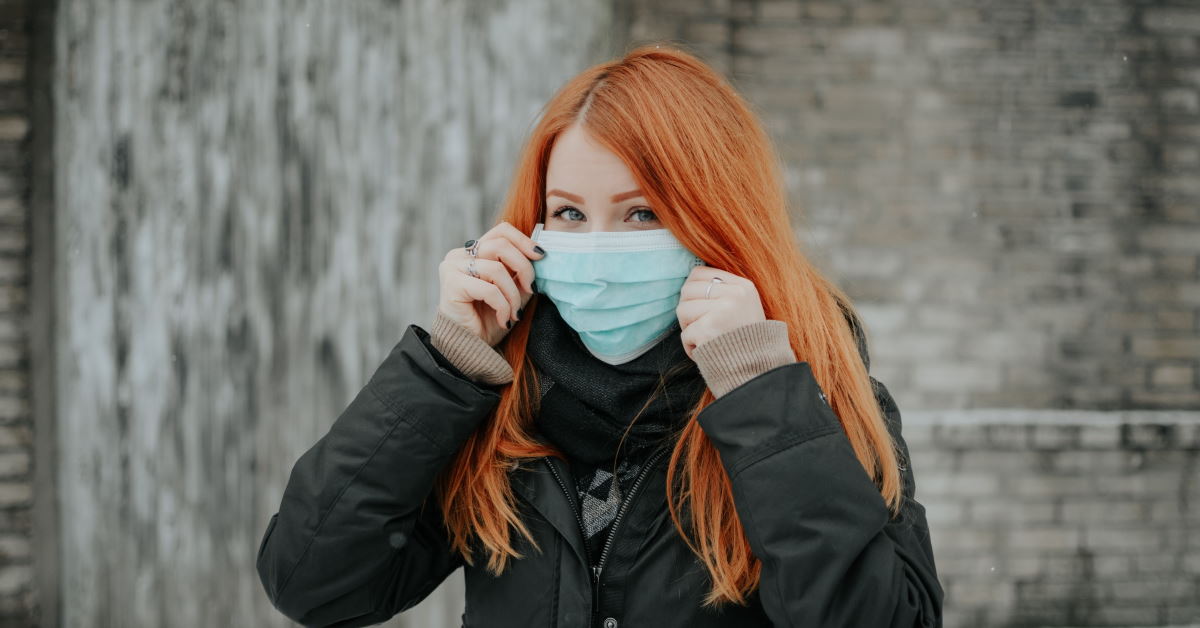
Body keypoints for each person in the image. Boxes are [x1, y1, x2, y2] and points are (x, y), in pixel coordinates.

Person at [256, 42, 943, 628]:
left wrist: (762, 394)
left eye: (642, 213)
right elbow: (310, 581)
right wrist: (445, 364)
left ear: (718, 222)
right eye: (570, 214)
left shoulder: (821, 402)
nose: (600, 247)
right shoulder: (502, 410)